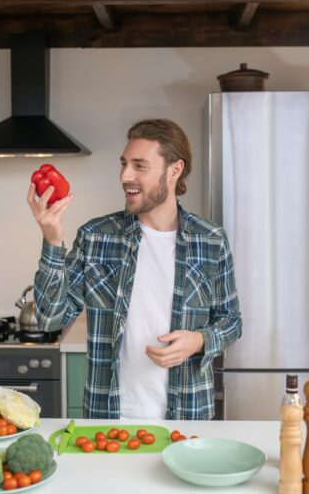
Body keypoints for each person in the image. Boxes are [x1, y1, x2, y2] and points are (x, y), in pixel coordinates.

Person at [26, 118, 241, 420]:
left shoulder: (210, 240)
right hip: (109, 419)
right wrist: (52, 239)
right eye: (124, 164)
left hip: (186, 416)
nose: (125, 175)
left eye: (140, 166)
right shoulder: (97, 236)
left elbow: (231, 321)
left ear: (174, 170)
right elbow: (50, 320)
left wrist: (199, 340)